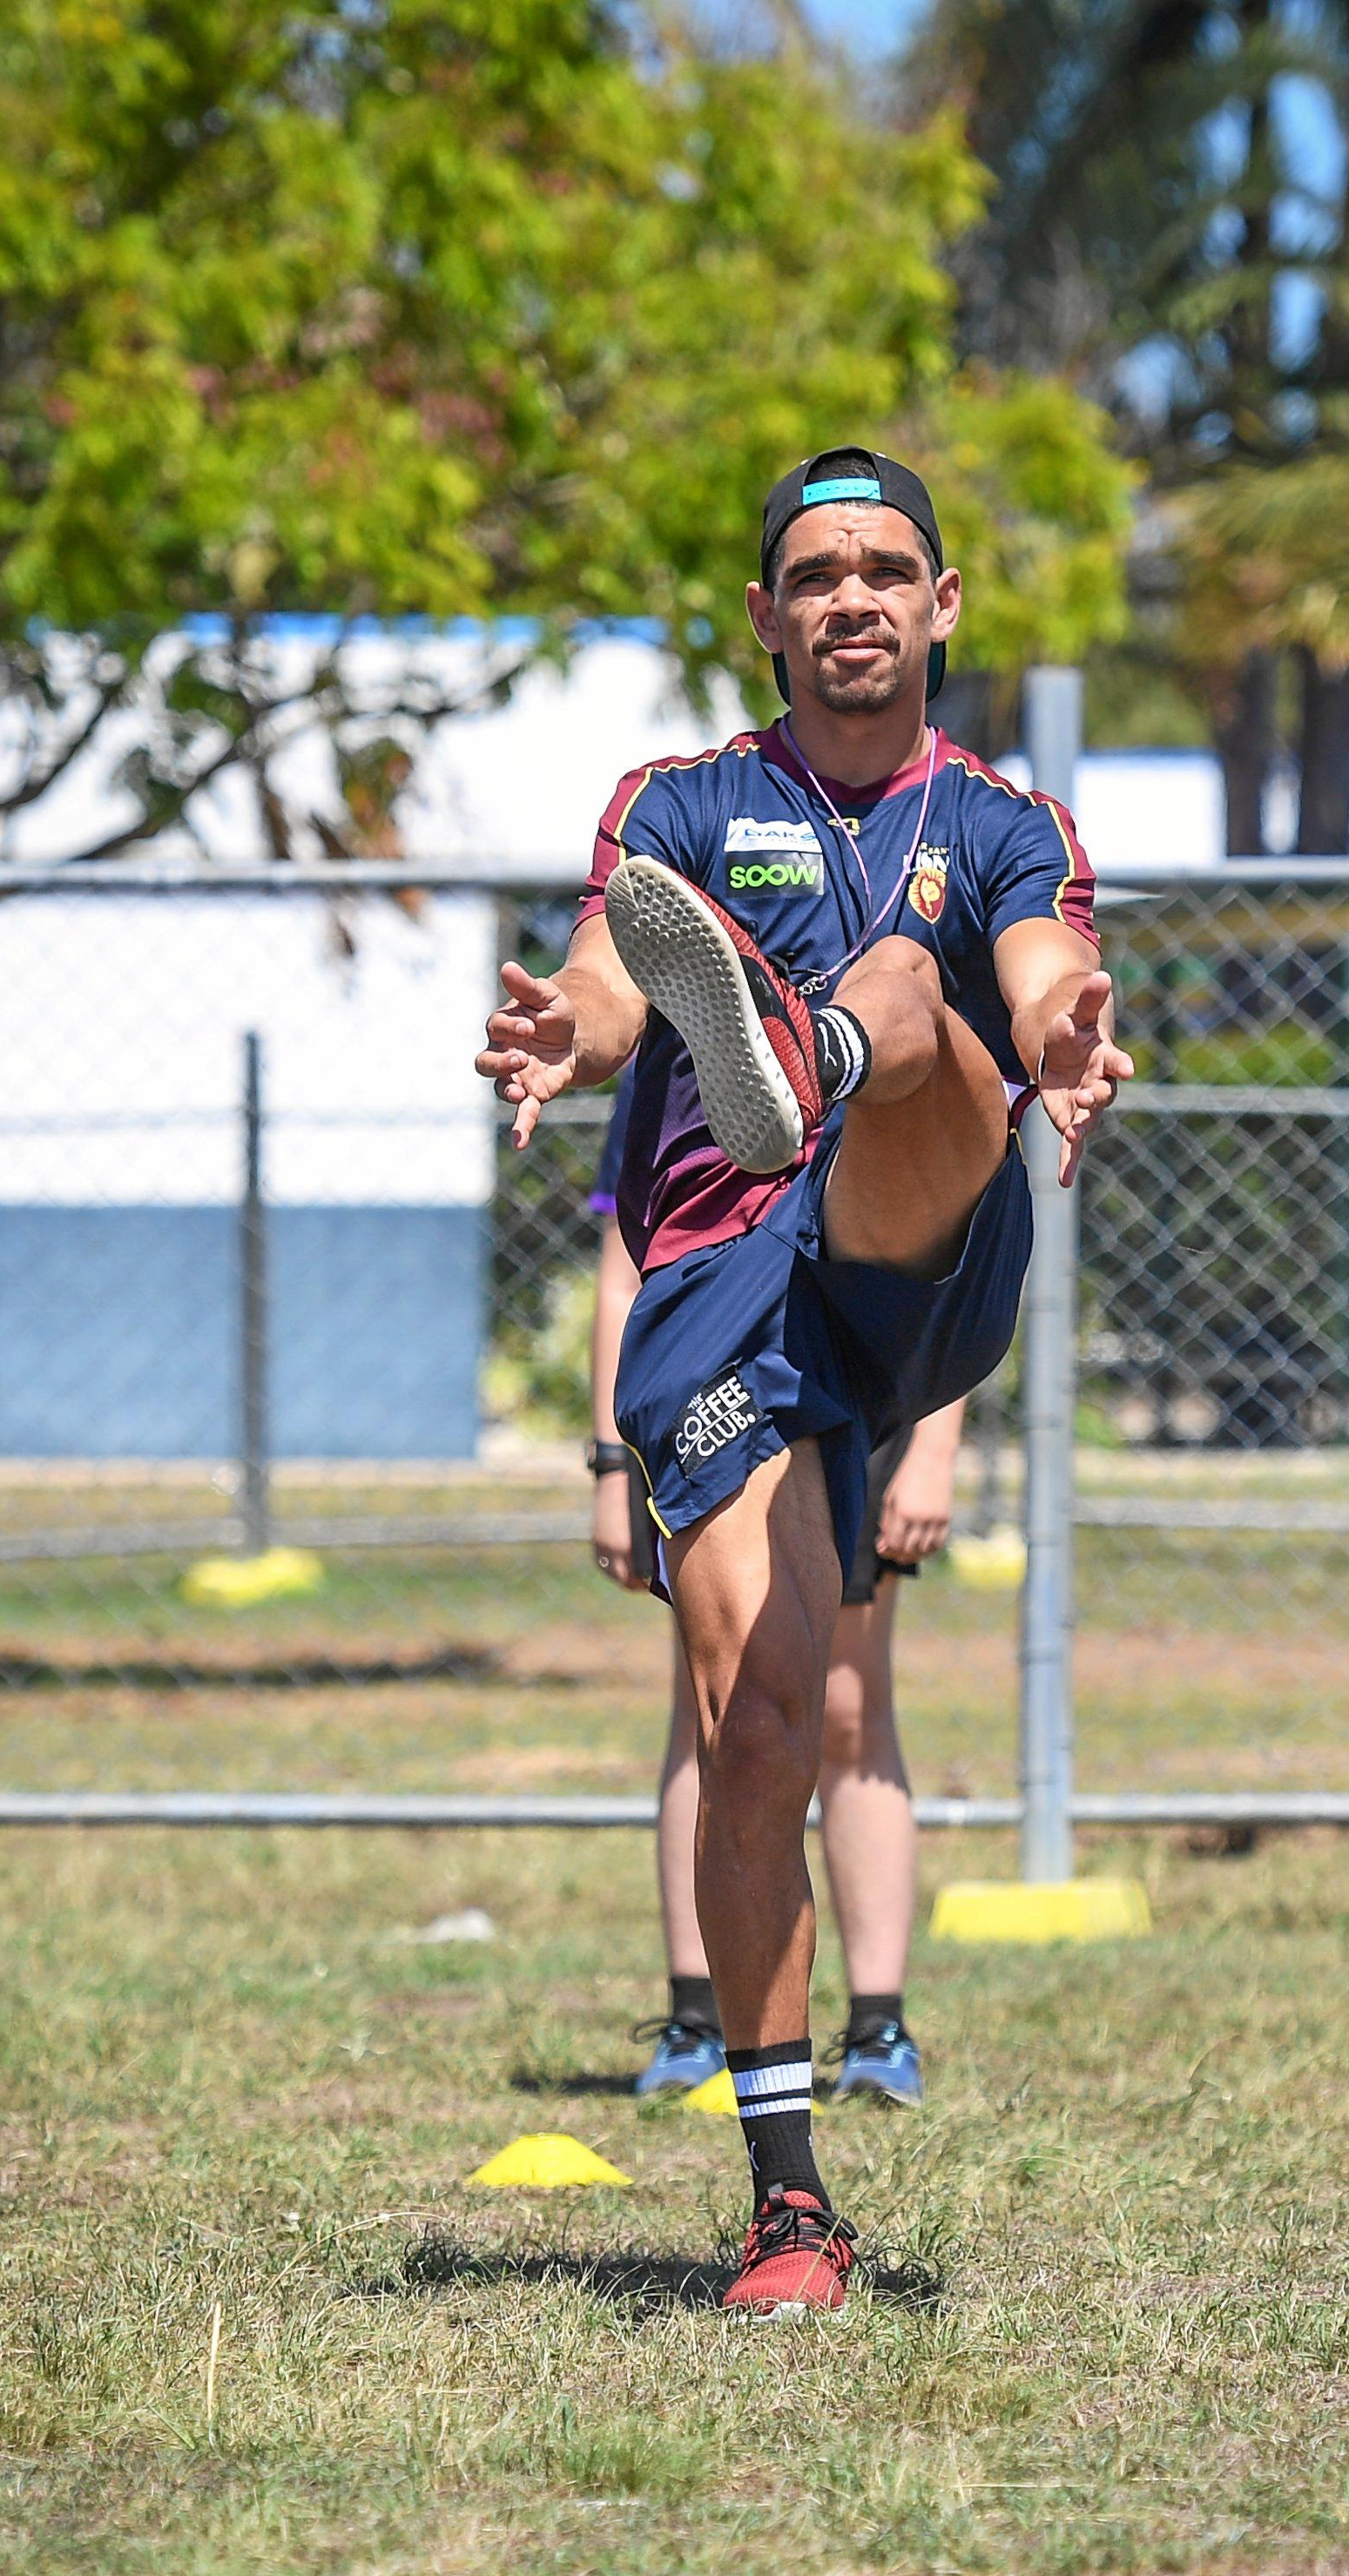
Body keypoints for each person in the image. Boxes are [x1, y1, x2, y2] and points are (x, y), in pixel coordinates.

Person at [481, 443, 1124, 2312]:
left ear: (938, 608)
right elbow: (611, 975)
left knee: (921, 989)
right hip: (721, 1287)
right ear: (766, 616)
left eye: (885, 568)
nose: (849, 596)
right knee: (761, 1722)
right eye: (813, 573)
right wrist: (567, 1027)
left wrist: (1070, 1032)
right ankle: (787, 2202)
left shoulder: (1007, 819)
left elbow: (1042, 962)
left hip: (916, 1248)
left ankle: (820, 1044)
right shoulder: (679, 804)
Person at [586, 1071, 965, 2107]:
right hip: (709, 1389)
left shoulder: (881, 1027)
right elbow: (624, 1272)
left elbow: (944, 1266)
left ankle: (878, 2029)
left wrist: (933, 1453)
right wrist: (610, 1467)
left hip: (857, 1399)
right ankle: (698, 2017)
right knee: (713, 1711)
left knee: (846, 1706)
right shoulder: (676, 1054)